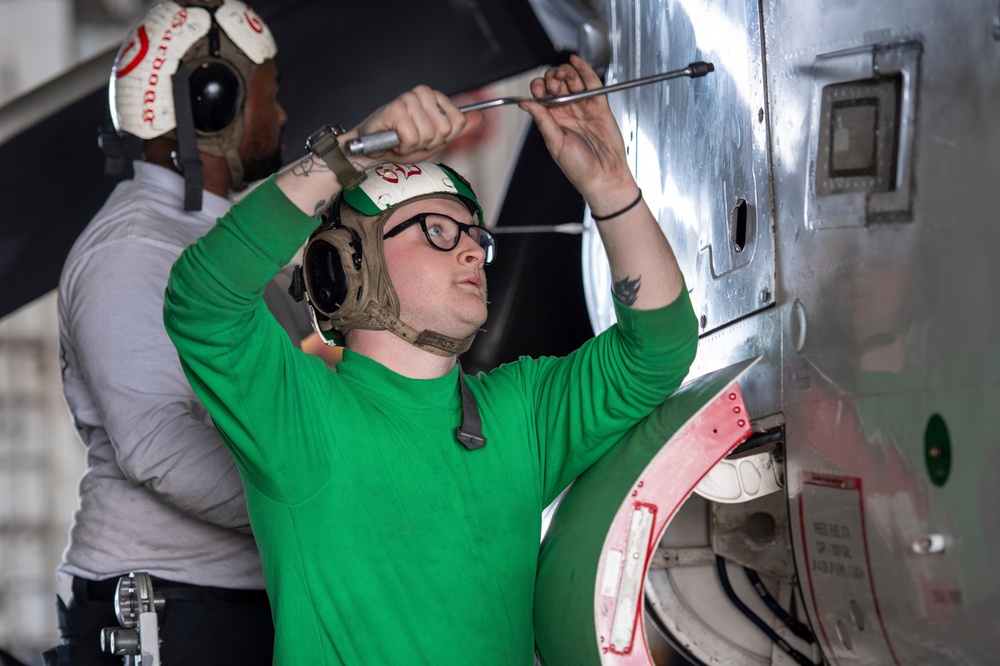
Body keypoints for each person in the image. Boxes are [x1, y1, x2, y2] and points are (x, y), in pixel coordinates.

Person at [163, 54, 698, 664]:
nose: (472, 252)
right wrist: (351, 156)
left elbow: (659, 347)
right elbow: (201, 301)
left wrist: (611, 188)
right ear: (345, 269)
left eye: (476, 236)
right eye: (438, 232)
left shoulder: (519, 414)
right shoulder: (302, 417)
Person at [45, 1, 312, 664]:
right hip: (175, 611)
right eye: (269, 96)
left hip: (228, 604)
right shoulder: (131, 249)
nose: (279, 116)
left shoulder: (216, 242)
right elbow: (159, 448)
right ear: (212, 106)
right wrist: (319, 499)